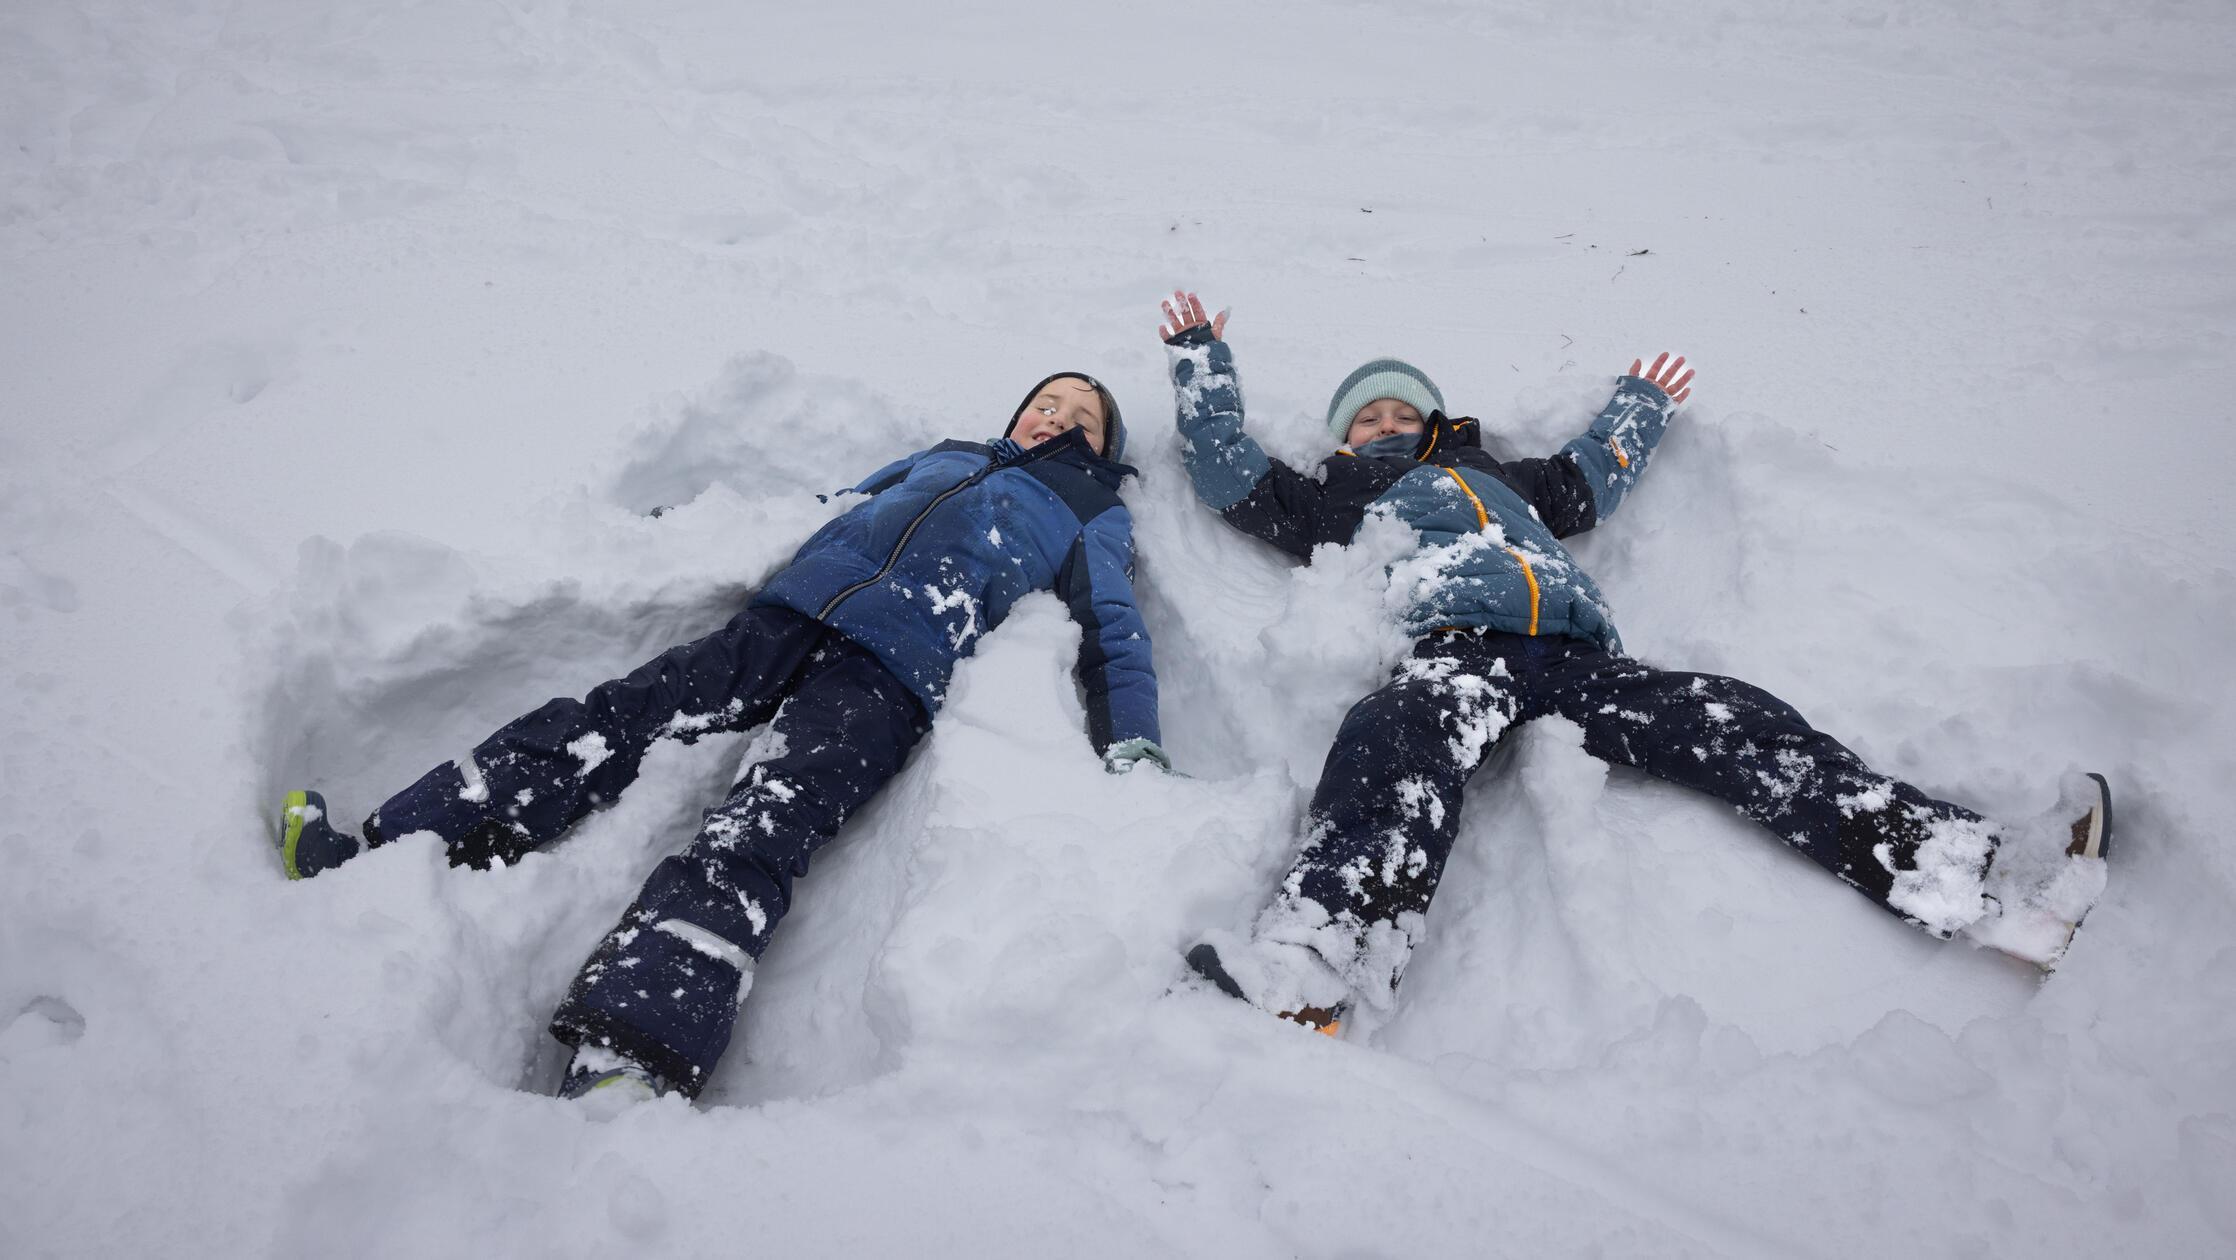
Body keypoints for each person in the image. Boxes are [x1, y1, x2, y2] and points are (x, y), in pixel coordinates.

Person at [1152, 290, 2110, 1036]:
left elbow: (1591, 475)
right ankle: (1314, 965)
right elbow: (1233, 474)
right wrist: (1201, 363)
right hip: (1455, 657)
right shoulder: (1340, 494)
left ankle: (1980, 876)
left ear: (1439, 418)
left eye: (1403, 409)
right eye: (1367, 420)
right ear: (1344, 439)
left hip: (1576, 661)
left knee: (1731, 718)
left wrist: (1641, 404)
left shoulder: (1507, 478)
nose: (1386, 424)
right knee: (1390, 735)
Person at [278, 371, 1168, 1106]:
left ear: (1103, 449)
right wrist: (692, 535)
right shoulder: (948, 455)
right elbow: (840, 505)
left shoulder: (1089, 509)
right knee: (613, 719)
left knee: (762, 827)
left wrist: (1132, 740)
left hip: (895, 674)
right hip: (788, 616)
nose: (1059, 418)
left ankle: (633, 1052)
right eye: (1049, 401)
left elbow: (1115, 633)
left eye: (1084, 418)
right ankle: (384, 844)